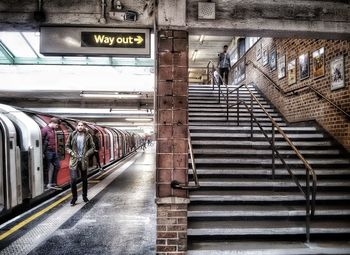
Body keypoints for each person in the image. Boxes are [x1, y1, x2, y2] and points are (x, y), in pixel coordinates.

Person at [65, 121, 95, 206]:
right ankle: (74, 198)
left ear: (84, 127)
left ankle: (84, 196)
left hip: (83, 161)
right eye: (79, 125)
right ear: (77, 127)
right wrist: (72, 153)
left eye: (82, 125)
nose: (80, 127)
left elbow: (93, 147)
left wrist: (86, 154)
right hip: (74, 161)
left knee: (84, 180)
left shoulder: (88, 136)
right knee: (73, 180)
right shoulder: (72, 135)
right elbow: (67, 146)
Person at [41, 117, 61, 189]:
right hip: (47, 151)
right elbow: (41, 141)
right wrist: (42, 152)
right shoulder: (44, 130)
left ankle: (53, 182)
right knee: (46, 168)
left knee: (58, 165)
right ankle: (45, 184)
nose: (57, 127)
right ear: (52, 123)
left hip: (53, 151)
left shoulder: (53, 130)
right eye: (57, 125)